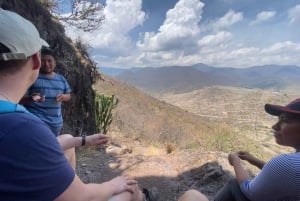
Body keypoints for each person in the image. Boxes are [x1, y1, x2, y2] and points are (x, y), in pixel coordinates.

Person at [0, 8, 152, 201]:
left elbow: (44, 145)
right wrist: (113, 184)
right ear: (36, 60)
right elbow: (82, 197)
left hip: (46, 134)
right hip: (74, 192)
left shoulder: (20, 131)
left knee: (66, 140)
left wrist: (84, 140)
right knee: (129, 190)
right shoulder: (22, 129)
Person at [178, 98, 300, 201]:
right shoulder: (291, 164)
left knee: (192, 195)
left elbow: (249, 190)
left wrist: (236, 162)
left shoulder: (286, 163)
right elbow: (283, 173)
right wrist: (253, 160)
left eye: (284, 120)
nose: (275, 126)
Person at [20, 47, 71, 136]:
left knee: (50, 147)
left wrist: (63, 96)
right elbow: (20, 99)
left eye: (49, 61)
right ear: (38, 61)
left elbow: (68, 95)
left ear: (55, 62)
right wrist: (31, 98)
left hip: (56, 123)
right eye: (43, 61)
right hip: (36, 120)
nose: (46, 64)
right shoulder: (33, 77)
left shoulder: (61, 79)